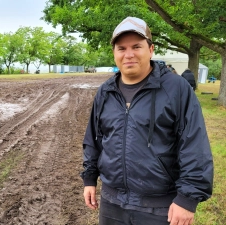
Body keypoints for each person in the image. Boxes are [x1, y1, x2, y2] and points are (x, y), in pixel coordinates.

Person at [81, 17, 213, 225]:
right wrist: (90, 178)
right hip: (112, 203)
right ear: (114, 53)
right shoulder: (105, 92)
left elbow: (194, 144)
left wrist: (188, 199)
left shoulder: (176, 89)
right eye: (122, 48)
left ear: (151, 49)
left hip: (160, 206)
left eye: (136, 46)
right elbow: (94, 139)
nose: (129, 54)